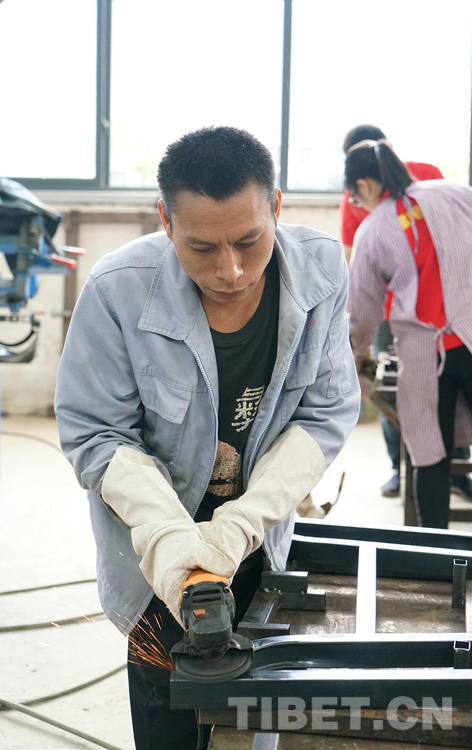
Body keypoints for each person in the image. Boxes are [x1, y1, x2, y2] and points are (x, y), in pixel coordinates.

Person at [55, 126, 360, 750]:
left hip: (261, 533)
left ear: (277, 207)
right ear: (166, 221)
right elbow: (97, 434)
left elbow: (325, 413)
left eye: (249, 240)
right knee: (168, 708)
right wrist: (171, 541)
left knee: (256, 718)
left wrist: (241, 524)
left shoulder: (323, 271)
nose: (231, 270)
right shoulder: (117, 291)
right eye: (201, 247)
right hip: (150, 554)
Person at [341, 124, 472, 500]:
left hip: (424, 357)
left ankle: (430, 536)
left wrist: (358, 357)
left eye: (355, 198)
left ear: (363, 185)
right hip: (468, 335)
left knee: (428, 454)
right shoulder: (453, 192)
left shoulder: (372, 229)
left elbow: (362, 310)